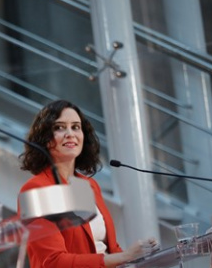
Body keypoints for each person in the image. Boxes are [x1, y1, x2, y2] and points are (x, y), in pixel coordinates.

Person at [17, 100, 158, 268]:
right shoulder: (36, 189)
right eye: (60, 127)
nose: (70, 133)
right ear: (46, 139)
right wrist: (126, 257)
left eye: (76, 127)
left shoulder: (88, 185)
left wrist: (138, 256)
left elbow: (106, 249)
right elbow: (53, 262)